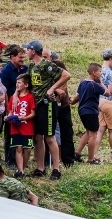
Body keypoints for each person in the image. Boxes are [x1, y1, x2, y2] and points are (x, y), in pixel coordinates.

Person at [25, 40, 70, 181]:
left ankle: (56, 168)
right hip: (36, 104)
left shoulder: (47, 65)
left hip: (47, 104)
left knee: (49, 136)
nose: (26, 52)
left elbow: (66, 75)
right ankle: (40, 168)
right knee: (38, 137)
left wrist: (52, 88)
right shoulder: (31, 66)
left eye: (28, 50)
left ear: (33, 51)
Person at [70, 63, 108, 165]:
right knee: (93, 135)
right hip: (91, 111)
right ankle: (91, 159)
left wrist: (72, 102)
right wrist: (101, 83)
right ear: (94, 72)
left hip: (82, 110)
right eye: (100, 71)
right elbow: (107, 93)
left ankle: (77, 153)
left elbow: (77, 96)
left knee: (88, 132)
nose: (101, 74)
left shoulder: (83, 82)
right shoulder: (94, 85)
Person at [1, 46, 28, 168]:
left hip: (23, 106)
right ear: (12, 57)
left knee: (19, 132)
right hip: (11, 105)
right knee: (9, 133)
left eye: (23, 57)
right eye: (20, 57)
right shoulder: (6, 71)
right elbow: (4, 92)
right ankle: (10, 159)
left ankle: (19, 159)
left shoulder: (24, 69)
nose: (22, 59)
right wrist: (8, 110)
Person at [4, 74, 35, 177]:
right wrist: (8, 117)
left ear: (26, 85)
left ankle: (23, 168)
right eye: (16, 82)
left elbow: (33, 113)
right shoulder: (13, 97)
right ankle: (20, 171)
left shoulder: (30, 97)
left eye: (19, 82)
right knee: (18, 148)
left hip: (27, 127)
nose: (17, 84)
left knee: (28, 149)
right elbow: (10, 111)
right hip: (15, 127)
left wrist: (24, 118)